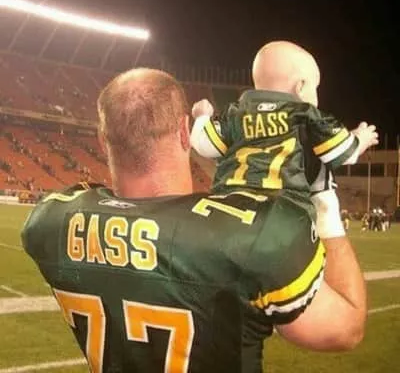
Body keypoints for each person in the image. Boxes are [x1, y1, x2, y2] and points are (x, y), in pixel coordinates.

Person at [22, 68, 366, 373]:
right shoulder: (252, 235)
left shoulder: (51, 221)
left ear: (102, 140)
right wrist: (325, 202)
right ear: (185, 132)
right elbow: (346, 329)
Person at [191, 41, 378, 194]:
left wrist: (202, 116)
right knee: (323, 191)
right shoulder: (307, 115)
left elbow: (202, 145)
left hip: (232, 203)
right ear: (301, 86)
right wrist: (361, 138)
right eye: (315, 87)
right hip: (284, 209)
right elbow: (346, 154)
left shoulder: (234, 113)